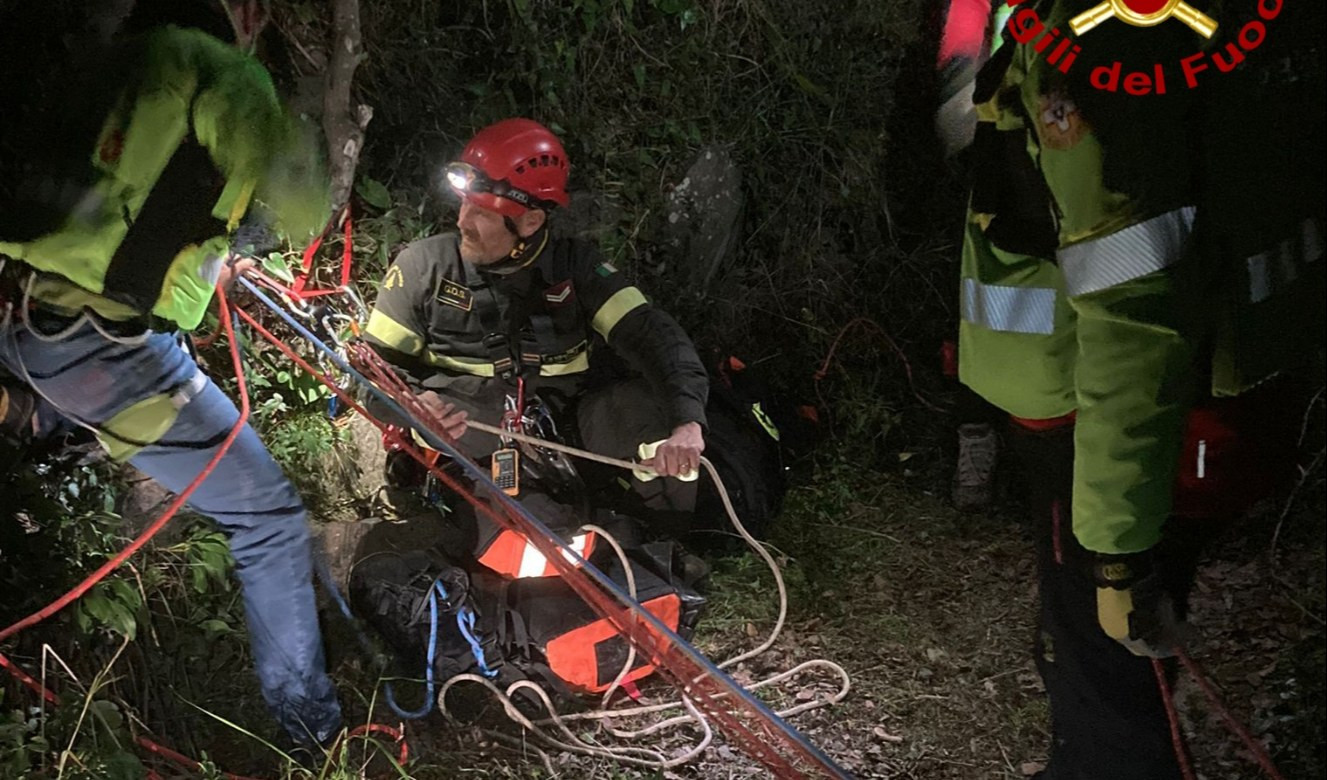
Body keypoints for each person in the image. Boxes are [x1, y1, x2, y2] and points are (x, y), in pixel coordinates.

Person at [940, 0, 1323, 777]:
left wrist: (1115, 553)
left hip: (1097, 412)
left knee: (1103, 672)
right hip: (1212, 385)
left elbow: (1131, 309)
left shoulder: (1113, 36)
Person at [0, 23, 340, 747]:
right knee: (269, 521)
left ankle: (31, 415)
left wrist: (212, 253)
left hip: (18, 309)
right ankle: (313, 736)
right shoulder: (224, 73)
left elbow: (123, 198)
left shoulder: (110, 50)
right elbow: (303, 207)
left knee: (94, 402)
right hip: (100, 347)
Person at [362, 118, 710, 524]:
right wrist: (409, 406)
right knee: (501, 522)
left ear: (529, 222)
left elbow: (654, 336)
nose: (462, 222)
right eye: (462, 205)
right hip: (471, 434)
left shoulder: (575, 267)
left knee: (644, 415)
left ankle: (658, 541)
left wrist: (687, 422)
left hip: (566, 423)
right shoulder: (424, 267)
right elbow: (372, 370)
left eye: (480, 213)